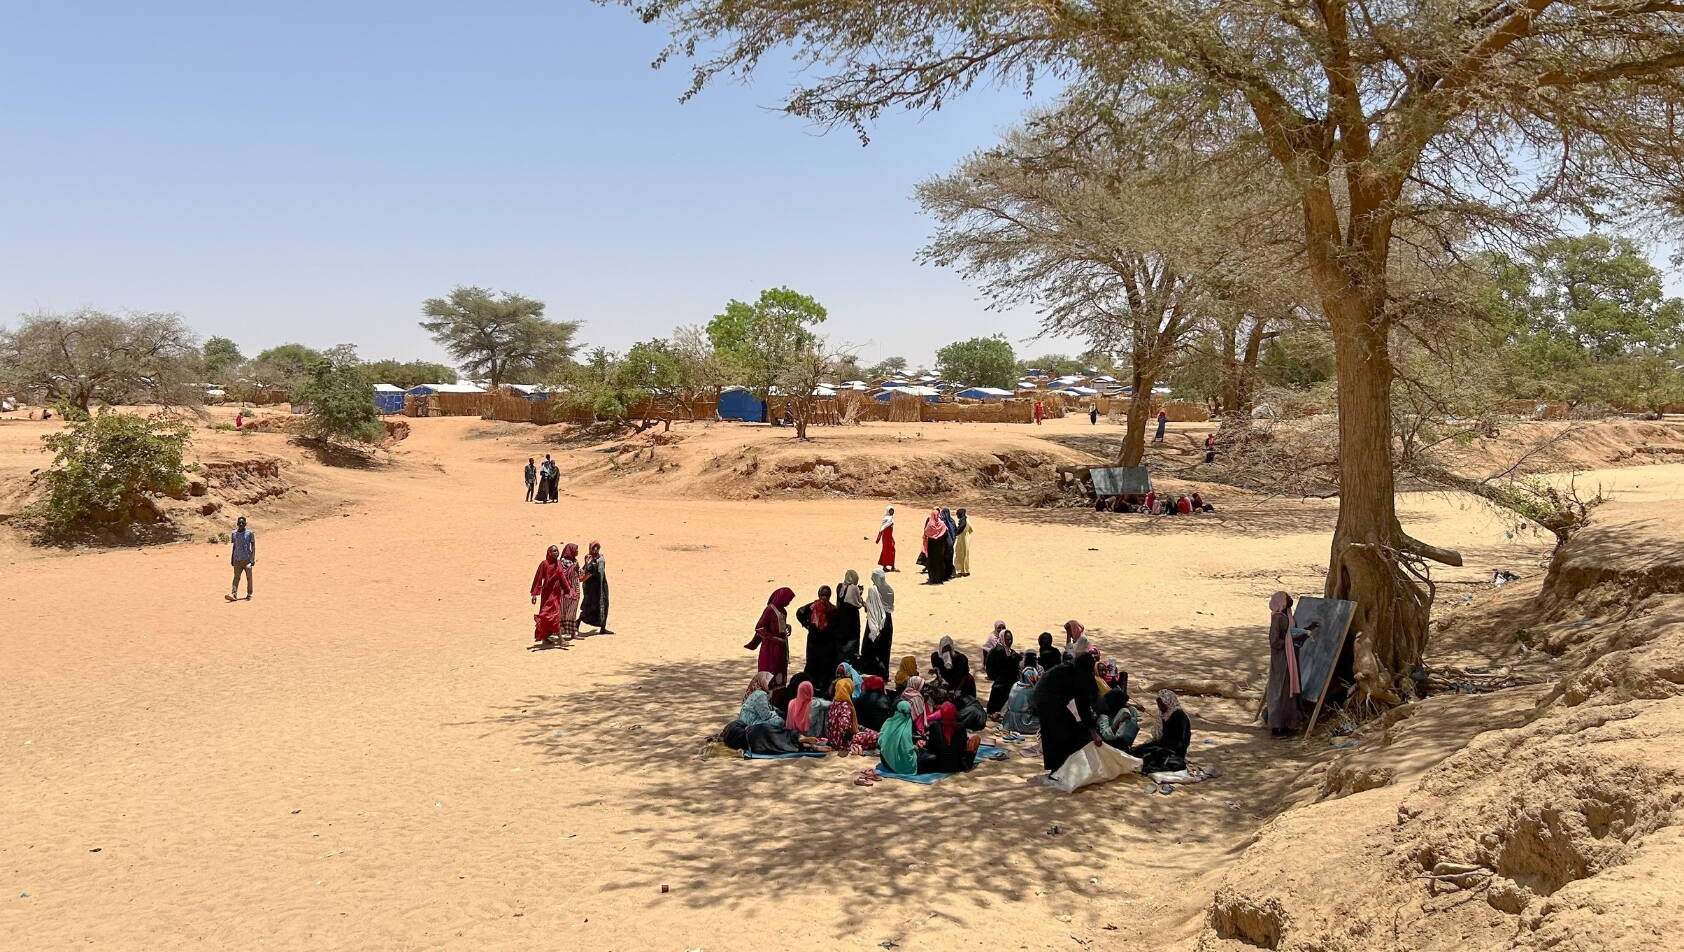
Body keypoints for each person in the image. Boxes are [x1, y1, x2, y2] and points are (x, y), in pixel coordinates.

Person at [1032, 652, 1103, 774]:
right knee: (1064, 730)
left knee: (1054, 731)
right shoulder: (1076, 675)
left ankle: (1058, 767)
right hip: (1047, 700)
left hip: (1043, 698)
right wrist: (1093, 732)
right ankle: (1059, 768)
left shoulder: (1071, 670)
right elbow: (1083, 707)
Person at [1265, 591, 1304, 736]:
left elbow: (1290, 634)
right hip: (1281, 660)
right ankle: (1276, 726)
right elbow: (1274, 641)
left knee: (1288, 691)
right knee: (1280, 690)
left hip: (1289, 659)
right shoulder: (1278, 618)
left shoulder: (1287, 617)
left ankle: (1287, 724)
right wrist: (1289, 643)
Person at [744, 587, 795, 685]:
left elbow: (779, 624)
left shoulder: (783, 611)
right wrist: (773, 638)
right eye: (787, 600)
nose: (788, 603)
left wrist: (786, 626)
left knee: (780, 672)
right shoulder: (770, 610)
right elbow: (759, 628)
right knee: (770, 673)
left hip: (781, 647)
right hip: (771, 648)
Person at [1132, 690, 1192, 773]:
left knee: (1151, 756)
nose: (1160, 707)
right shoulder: (1164, 715)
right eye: (1158, 704)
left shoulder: (1179, 716)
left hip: (1174, 750)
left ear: (1168, 702)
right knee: (1138, 750)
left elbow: (1179, 742)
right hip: (1163, 745)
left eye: (1161, 704)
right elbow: (1159, 737)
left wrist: (1158, 748)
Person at [797, 586, 838, 687]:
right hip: (825, 642)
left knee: (813, 663)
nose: (824, 597)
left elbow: (799, 613)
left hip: (815, 641)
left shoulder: (812, 607)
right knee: (823, 664)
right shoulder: (832, 609)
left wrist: (807, 624)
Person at [924, 701, 979, 773]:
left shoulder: (935, 726)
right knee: (976, 738)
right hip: (957, 765)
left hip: (939, 765)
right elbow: (962, 748)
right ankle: (967, 765)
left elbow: (931, 747)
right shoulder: (961, 727)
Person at [825, 678, 878, 751]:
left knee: (868, 731)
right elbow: (844, 725)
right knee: (876, 736)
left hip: (833, 740)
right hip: (843, 743)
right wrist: (850, 734)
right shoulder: (845, 705)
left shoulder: (834, 703)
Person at [862, 567, 896, 676]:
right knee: (884, 647)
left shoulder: (873, 590)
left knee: (872, 646)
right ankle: (883, 672)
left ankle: (872, 671)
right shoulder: (890, 590)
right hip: (887, 621)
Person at [529, 544, 565, 644]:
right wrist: (534, 595)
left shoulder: (559, 564)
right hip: (547, 594)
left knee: (556, 615)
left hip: (556, 594)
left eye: (557, 551)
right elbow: (538, 579)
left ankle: (556, 638)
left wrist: (568, 590)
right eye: (554, 551)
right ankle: (555, 638)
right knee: (545, 614)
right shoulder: (544, 564)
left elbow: (562, 578)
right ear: (549, 552)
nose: (556, 553)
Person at [984, 628, 1021, 716]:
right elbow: (1007, 664)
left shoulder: (1006, 650)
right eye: (1007, 639)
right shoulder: (999, 651)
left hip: (1003, 680)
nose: (1010, 641)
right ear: (1003, 639)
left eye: (1011, 639)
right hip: (1002, 682)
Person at [876, 701, 919, 775]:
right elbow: (907, 751)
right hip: (899, 765)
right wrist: (915, 748)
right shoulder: (906, 727)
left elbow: (880, 740)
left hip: (885, 760)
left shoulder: (888, 722)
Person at [579, 541, 611, 634]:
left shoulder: (601, 557)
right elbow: (586, 571)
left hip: (602, 584)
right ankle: (578, 622)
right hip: (592, 587)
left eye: (597, 547)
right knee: (590, 605)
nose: (596, 550)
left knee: (604, 604)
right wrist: (590, 563)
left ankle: (603, 628)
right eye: (594, 548)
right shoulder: (589, 558)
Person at [834, 570, 865, 665]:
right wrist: (859, 593)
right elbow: (858, 603)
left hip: (840, 618)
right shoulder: (853, 588)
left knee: (841, 643)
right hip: (852, 619)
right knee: (852, 642)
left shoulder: (840, 586)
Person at [553, 543, 583, 641]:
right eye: (576, 550)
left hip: (575, 588)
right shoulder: (562, 562)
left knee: (573, 611)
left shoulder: (575, 561)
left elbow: (579, 575)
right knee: (563, 611)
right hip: (565, 590)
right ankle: (560, 634)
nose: (577, 552)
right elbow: (561, 575)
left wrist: (584, 567)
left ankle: (572, 633)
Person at [1002, 667, 1041, 733]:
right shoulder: (1031, 690)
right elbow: (1037, 707)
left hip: (1009, 721)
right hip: (1022, 722)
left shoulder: (1015, 685)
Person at [227, 516, 256, 602]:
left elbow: (253, 546)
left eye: (243, 523)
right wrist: (232, 558)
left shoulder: (250, 533)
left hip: (247, 559)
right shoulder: (234, 534)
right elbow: (234, 546)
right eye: (239, 523)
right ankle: (234, 594)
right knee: (236, 577)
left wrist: (252, 558)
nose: (241, 524)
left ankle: (249, 594)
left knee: (249, 577)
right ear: (237, 523)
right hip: (237, 559)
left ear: (245, 524)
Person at [923, 509, 954, 585]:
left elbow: (925, 533)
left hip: (932, 549)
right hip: (941, 548)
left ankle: (933, 579)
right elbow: (946, 535)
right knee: (940, 562)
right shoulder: (942, 525)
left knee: (932, 563)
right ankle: (940, 579)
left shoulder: (930, 525)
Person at [952, 508, 973, 577]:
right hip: (965, 539)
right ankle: (963, 570)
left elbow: (960, 529)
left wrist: (955, 533)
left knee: (962, 554)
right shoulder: (965, 520)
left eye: (957, 514)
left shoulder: (963, 521)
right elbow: (971, 530)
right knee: (963, 554)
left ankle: (963, 571)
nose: (957, 516)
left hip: (963, 540)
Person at [875, 506, 896, 572]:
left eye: (893, 510)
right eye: (891, 511)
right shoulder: (887, 519)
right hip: (886, 538)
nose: (892, 512)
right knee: (886, 551)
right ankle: (885, 566)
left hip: (889, 537)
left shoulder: (890, 518)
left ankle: (892, 566)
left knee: (892, 550)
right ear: (888, 511)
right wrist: (878, 538)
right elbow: (882, 528)